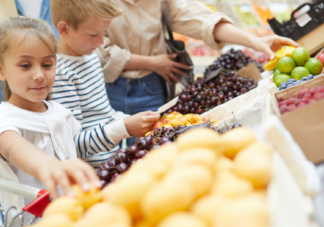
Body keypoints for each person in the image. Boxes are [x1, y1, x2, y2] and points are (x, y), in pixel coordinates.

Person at [99, 0, 298, 122]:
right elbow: (100, 51)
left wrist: (254, 41)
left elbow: (203, 22)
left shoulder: (162, 2)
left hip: (154, 85)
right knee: (114, 150)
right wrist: (153, 62)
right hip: (111, 86)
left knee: (150, 151)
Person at [0, 17, 101, 209]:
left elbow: (78, 146)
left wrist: (123, 128)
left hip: (73, 213)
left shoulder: (60, 112)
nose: (39, 75)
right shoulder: (4, 118)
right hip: (31, 224)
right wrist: (47, 165)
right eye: (25, 65)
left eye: (47, 65)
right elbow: (13, 147)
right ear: (1, 70)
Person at [50, 0, 160, 168]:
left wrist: (132, 120)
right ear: (64, 29)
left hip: (111, 163)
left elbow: (103, 114)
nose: (101, 42)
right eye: (94, 35)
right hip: (89, 175)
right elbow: (72, 145)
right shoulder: (60, 74)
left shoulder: (92, 58)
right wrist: (125, 128)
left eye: (104, 33)